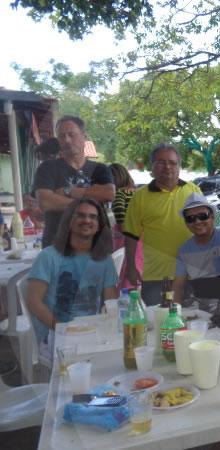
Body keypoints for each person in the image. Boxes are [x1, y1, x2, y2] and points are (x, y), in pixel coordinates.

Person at [26, 198, 118, 359]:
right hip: (55, 333)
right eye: (80, 215)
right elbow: (33, 301)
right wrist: (62, 329)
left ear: (99, 226)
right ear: (69, 221)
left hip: (91, 331)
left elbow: (110, 303)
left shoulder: (104, 260)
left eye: (93, 217)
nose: (87, 220)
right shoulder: (49, 256)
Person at [123, 143, 200, 305]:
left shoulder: (193, 191)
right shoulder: (140, 197)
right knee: (156, 324)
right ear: (152, 167)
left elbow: (208, 228)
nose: (167, 167)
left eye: (172, 162)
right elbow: (131, 235)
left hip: (192, 274)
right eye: (160, 162)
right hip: (156, 276)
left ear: (179, 166)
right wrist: (130, 267)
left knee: (192, 321)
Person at [33, 116, 115, 248]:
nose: (67, 140)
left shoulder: (99, 169)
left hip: (96, 247)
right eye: (61, 136)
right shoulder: (47, 168)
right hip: (58, 248)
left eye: (71, 134)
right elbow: (46, 202)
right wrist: (91, 203)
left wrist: (68, 191)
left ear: (84, 136)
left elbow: (109, 194)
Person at [174, 193, 220, 306]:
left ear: (212, 216)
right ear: (186, 223)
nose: (197, 221)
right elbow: (178, 286)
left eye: (203, 216)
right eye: (191, 218)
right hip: (200, 306)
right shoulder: (183, 250)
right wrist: (175, 312)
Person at [109, 163, 142, 289]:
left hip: (127, 242)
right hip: (141, 240)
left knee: (126, 279)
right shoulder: (137, 192)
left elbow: (123, 224)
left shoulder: (119, 195)